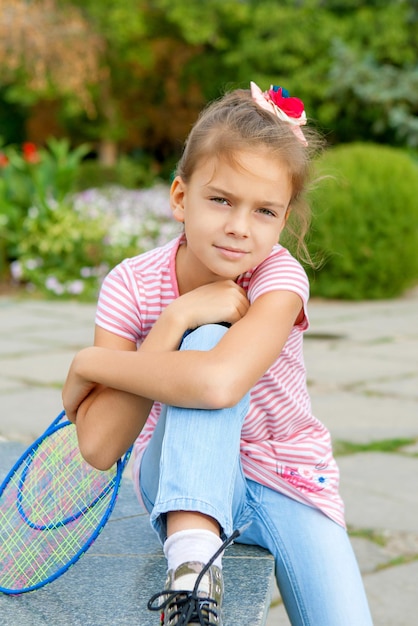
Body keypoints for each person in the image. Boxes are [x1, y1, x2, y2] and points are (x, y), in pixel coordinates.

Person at [62, 81, 373, 626]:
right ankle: (192, 578)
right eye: (221, 200)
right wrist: (176, 318)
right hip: (183, 477)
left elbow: (218, 385)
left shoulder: (278, 278)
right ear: (181, 197)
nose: (238, 228)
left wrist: (88, 364)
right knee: (203, 335)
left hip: (288, 480)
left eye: (264, 211)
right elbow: (99, 445)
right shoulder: (131, 285)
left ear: (283, 220)